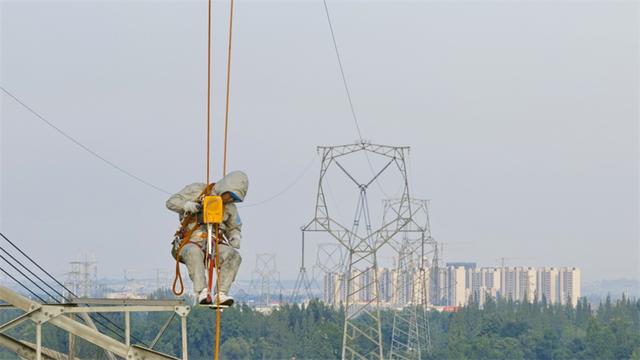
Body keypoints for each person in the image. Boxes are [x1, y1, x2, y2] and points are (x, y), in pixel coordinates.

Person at [166, 170, 248, 306]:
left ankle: (221, 293)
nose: (230, 200)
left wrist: (235, 236)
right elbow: (171, 202)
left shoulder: (230, 208)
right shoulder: (197, 190)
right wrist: (186, 205)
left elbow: (234, 226)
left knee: (233, 256)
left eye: (235, 199)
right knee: (193, 252)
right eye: (231, 196)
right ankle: (202, 291)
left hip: (214, 242)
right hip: (192, 240)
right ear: (225, 188)